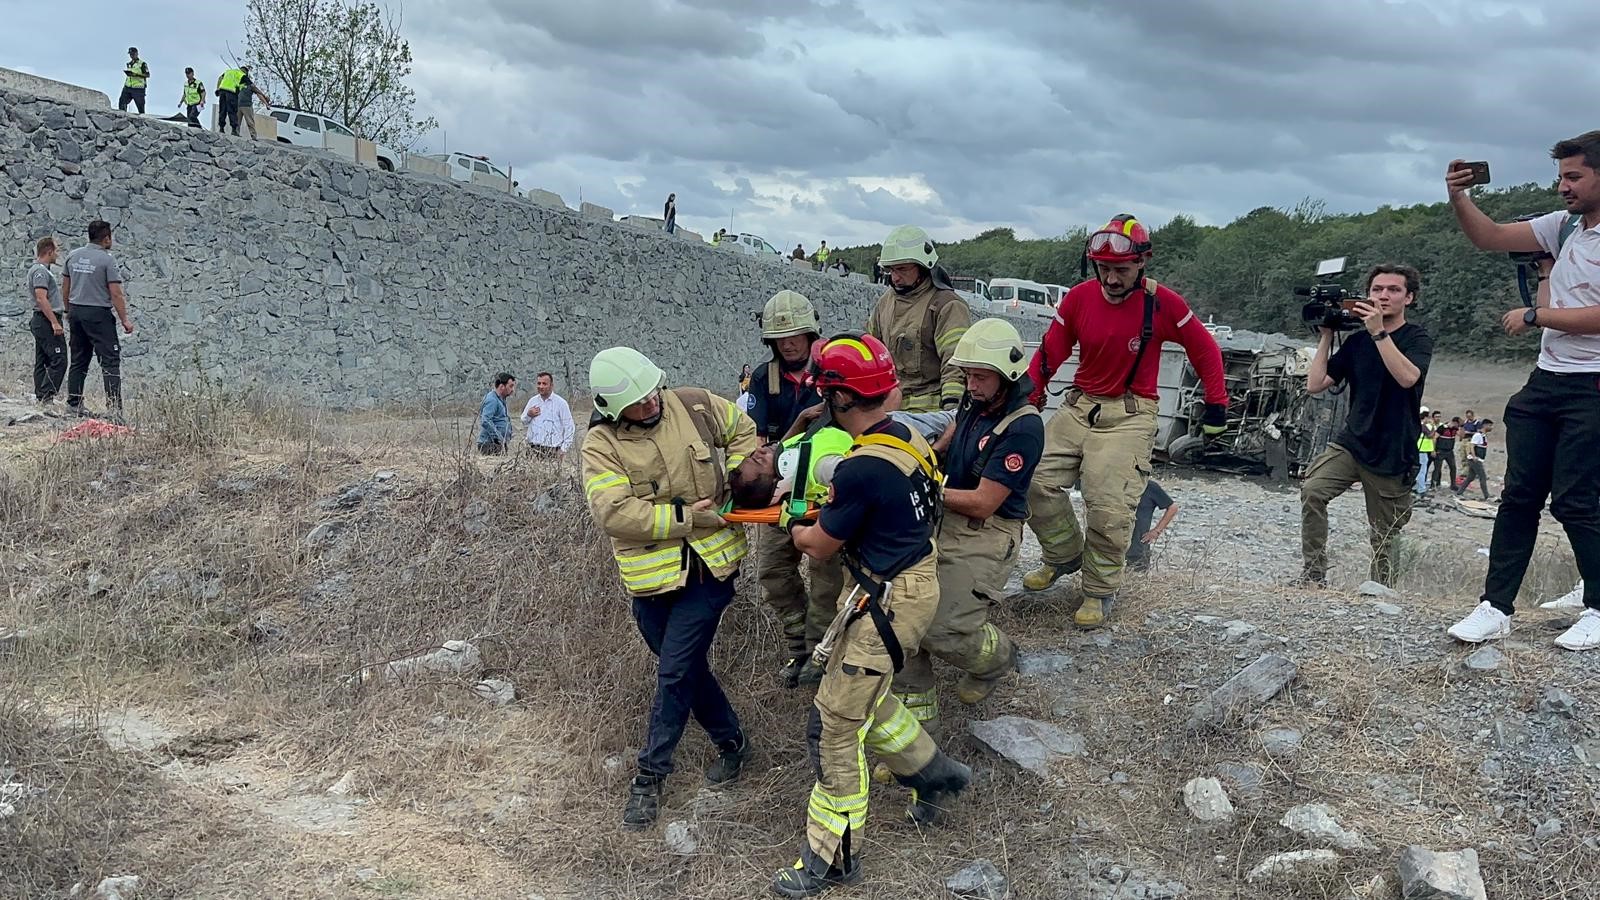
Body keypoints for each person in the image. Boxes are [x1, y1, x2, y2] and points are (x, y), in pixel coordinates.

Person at [772, 333, 971, 897]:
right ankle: (936, 776)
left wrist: (791, 519)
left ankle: (831, 858)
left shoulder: (859, 470)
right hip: (903, 584)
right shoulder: (907, 435)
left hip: (886, 596)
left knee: (836, 724)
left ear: (836, 399)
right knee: (871, 697)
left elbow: (816, 546)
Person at [1020, 214, 1228, 628]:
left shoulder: (1164, 304)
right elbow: (1051, 350)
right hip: (1079, 407)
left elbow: (1205, 350)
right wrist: (1030, 390)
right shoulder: (1078, 298)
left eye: (1120, 270)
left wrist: (1216, 406)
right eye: (1103, 269)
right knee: (1030, 478)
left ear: (1141, 264)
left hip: (1131, 414)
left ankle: (1098, 590)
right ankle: (1064, 557)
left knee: (1107, 503)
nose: (1111, 279)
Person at [581, 346, 757, 829]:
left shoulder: (693, 403)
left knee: (675, 673)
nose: (651, 404)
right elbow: (613, 513)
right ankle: (733, 742)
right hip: (652, 582)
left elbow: (742, 429)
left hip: (710, 570)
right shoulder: (601, 445)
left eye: (652, 392)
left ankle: (649, 777)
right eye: (637, 403)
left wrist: (740, 475)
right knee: (684, 670)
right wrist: (685, 518)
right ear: (614, 411)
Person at [1443, 134, 1600, 652]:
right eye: (1561, 177)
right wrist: (1459, 197)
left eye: (1574, 177)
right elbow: (1488, 236)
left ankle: (1598, 606)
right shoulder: (1565, 227)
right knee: (1518, 498)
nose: (1563, 187)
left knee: (1576, 500)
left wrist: (1537, 314)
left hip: (1594, 385)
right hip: (1546, 379)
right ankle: (1495, 607)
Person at [892, 318, 1039, 729]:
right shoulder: (976, 402)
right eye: (967, 375)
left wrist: (926, 489)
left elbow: (983, 503)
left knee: (942, 631)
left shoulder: (1024, 428)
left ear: (1007, 376)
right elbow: (953, 434)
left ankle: (996, 657)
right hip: (944, 520)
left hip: (985, 533)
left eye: (980, 377)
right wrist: (923, 459)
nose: (970, 385)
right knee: (906, 615)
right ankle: (918, 728)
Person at [1298, 263, 1432, 588]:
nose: (1383, 296)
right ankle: (1313, 576)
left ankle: (1380, 592)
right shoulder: (1357, 342)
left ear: (1409, 298)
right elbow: (1315, 384)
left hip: (1392, 448)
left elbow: (1407, 377)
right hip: (1352, 441)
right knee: (1312, 491)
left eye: (1393, 290)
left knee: (1384, 531)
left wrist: (1378, 332)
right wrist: (1326, 336)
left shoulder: (1417, 337)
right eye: (1377, 290)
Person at [743, 291, 836, 686]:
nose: (790, 343)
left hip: (827, 488)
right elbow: (758, 441)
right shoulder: (765, 378)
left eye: (796, 334)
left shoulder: (834, 370)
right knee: (772, 572)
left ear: (812, 332)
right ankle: (797, 647)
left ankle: (820, 655)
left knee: (826, 576)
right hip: (781, 489)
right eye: (781, 338)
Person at [866, 225, 971, 412]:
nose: (895, 278)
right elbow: (870, 352)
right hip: (887, 411)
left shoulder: (947, 305)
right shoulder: (885, 303)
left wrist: (951, 411)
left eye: (902, 269)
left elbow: (955, 365)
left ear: (923, 267)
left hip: (930, 416)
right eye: (891, 270)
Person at [61, 220, 133, 418]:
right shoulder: (107, 260)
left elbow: (65, 287)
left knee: (78, 359)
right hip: (98, 314)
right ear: (106, 238)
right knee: (110, 360)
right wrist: (124, 319)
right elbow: (116, 293)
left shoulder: (72, 256)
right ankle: (114, 410)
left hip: (76, 311)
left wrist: (68, 310)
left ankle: (74, 404)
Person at [26, 237, 66, 406]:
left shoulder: (41, 270)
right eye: (56, 251)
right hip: (45, 319)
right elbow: (41, 298)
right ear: (49, 252)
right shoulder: (40, 272)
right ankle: (46, 395)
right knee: (59, 359)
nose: (57, 254)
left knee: (42, 359)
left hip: (42, 319)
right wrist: (54, 322)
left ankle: (41, 395)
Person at [1125, 479, 1179, 573]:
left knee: (1136, 581)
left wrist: (1156, 531)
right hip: (1112, 547)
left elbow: (1172, 507)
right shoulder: (1114, 483)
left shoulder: (1149, 486)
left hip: (1137, 548)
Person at [518, 371, 573, 459]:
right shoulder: (533, 401)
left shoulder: (561, 403)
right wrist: (529, 414)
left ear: (551, 385)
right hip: (533, 449)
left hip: (552, 450)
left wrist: (563, 449)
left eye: (544, 384)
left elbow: (569, 427)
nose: (541, 386)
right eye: (539, 383)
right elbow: (523, 421)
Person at [1452, 419, 1493, 501]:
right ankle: (1486, 496)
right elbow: (1471, 446)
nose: (1491, 428)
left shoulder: (1483, 436)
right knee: (1483, 477)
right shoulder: (1478, 435)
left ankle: (1459, 492)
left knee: (1470, 477)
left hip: (1478, 459)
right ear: (1485, 425)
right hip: (1475, 460)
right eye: (1490, 425)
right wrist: (1474, 456)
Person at [476, 372, 515, 455]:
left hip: (497, 444)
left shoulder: (501, 400)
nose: (513, 390)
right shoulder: (492, 400)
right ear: (502, 387)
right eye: (511, 386)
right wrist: (499, 438)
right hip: (490, 444)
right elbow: (485, 420)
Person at [236, 66, 271, 140]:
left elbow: (258, 94)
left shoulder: (250, 84)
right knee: (236, 122)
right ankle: (236, 133)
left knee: (250, 122)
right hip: (238, 105)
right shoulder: (237, 83)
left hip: (247, 106)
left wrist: (266, 103)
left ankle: (253, 136)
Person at [1432, 415, 1460, 491]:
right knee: (1437, 468)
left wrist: (1462, 428)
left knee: (1453, 467)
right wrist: (1433, 450)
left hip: (1450, 451)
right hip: (1440, 451)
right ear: (1454, 422)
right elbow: (1434, 438)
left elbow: (1461, 436)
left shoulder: (1455, 429)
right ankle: (1433, 484)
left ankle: (1453, 484)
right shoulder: (1442, 428)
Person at [118, 47, 149, 114]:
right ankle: (123, 118)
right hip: (128, 87)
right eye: (130, 54)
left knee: (140, 108)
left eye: (133, 54)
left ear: (137, 53)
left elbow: (147, 75)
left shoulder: (142, 64)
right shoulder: (129, 64)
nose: (131, 56)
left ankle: (142, 121)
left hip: (138, 88)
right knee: (122, 103)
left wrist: (136, 75)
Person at [215, 67, 244, 136]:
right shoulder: (242, 75)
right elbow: (242, 87)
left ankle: (221, 128)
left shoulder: (229, 71)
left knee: (222, 110)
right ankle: (234, 130)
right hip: (231, 92)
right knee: (232, 110)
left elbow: (220, 78)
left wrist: (218, 88)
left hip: (222, 91)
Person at [1415, 409, 1436, 499]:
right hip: (1422, 450)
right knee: (1422, 470)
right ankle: (1421, 489)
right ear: (1426, 417)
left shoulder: (1416, 424)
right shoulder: (1423, 426)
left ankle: (1415, 487)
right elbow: (1430, 436)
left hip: (1417, 449)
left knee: (1418, 469)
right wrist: (1434, 427)